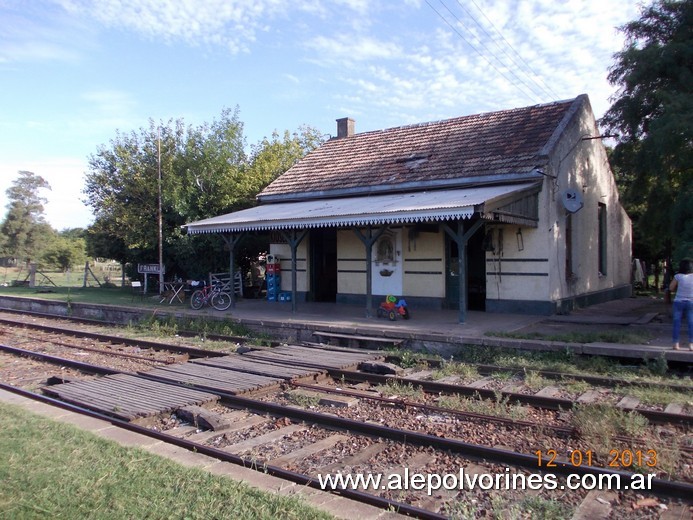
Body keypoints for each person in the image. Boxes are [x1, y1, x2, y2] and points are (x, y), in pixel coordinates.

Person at [669, 259, 693, 350]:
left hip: (678, 302)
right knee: (691, 323)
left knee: (676, 323)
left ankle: (676, 344)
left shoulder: (678, 276)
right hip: (691, 302)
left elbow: (671, 288)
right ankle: (691, 344)